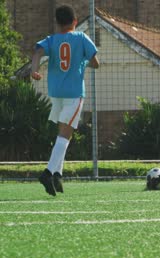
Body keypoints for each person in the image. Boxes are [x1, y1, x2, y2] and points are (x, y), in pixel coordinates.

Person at [30, 5, 99, 196]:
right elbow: (96, 63)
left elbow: (37, 52)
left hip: (56, 92)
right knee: (64, 134)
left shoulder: (51, 40)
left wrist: (34, 70)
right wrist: (83, 61)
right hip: (74, 92)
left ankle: (58, 175)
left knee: (63, 133)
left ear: (57, 23)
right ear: (75, 22)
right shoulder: (81, 37)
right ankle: (47, 173)